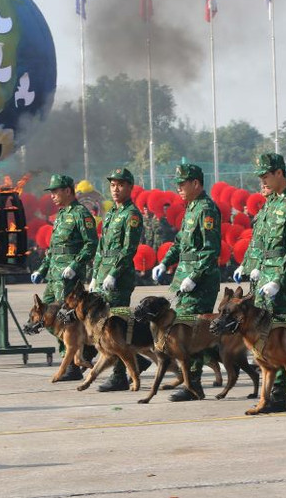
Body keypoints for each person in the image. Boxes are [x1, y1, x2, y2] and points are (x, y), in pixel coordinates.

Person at [239, 153, 286, 412]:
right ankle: (271, 391)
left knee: (280, 336)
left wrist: (278, 280)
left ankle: (278, 396)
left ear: (279, 173)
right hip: (263, 278)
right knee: (263, 335)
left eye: (266, 175)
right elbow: (258, 241)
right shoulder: (269, 204)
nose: (262, 180)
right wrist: (250, 267)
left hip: (282, 280)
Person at [151, 164, 221, 401]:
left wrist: (195, 276)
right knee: (180, 331)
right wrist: (164, 262)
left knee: (191, 332)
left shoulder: (207, 209)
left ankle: (195, 385)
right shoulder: (191, 209)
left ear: (196, 184)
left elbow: (210, 250)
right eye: (178, 184)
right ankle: (191, 382)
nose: (179, 188)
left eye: (183, 183)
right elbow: (180, 243)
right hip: (184, 278)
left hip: (200, 282)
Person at [31, 174, 98, 381]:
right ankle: (76, 354)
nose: (52, 195)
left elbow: (91, 243)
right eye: (51, 192)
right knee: (46, 316)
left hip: (69, 277)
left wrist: (75, 265)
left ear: (68, 191)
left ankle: (74, 362)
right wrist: (42, 269)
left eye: (55, 191)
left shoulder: (81, 214)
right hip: (54, 276)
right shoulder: (60, 215)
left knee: (65, 318)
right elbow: (53, 249)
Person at [89, 168, 151, 392]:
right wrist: (95, 275)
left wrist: (114, 273)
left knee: (114, 328)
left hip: (119, 279)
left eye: (120, 185)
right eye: (113, 185)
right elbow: (101, 247)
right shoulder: (112, 214)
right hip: (104, 276)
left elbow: (128, 249)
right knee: (103, 325)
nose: (116, 189)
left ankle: (119, 376)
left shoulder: (131, 215)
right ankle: (138, 361)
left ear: (129, 187)